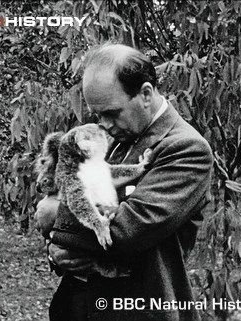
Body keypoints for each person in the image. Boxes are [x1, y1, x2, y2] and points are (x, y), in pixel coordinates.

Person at [35, 43, 213, 321]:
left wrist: (54, 215)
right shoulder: (117, 137)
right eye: (98, 115)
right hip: (78, 303)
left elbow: (126, 230)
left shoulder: (185, 148)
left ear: (145, 94)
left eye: (112, 113)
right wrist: (56, 253)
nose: (103, 125)